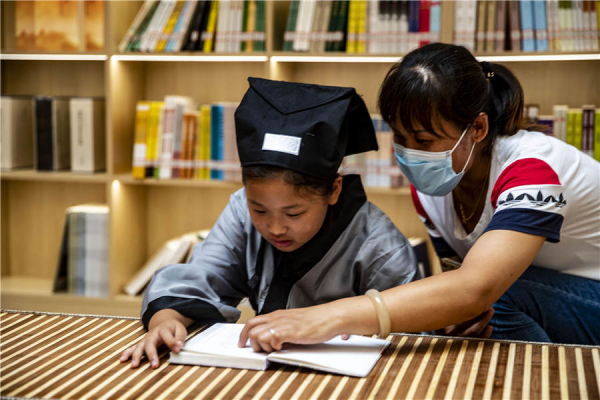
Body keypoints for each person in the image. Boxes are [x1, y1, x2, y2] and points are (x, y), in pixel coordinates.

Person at [238, 43, 600, 351]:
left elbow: (477, 287)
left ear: (477, 128)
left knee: (492, 295)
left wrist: (327, 317)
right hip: (546, 301)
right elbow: (457, 287)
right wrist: (454, 318)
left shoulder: (533, 167)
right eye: (400, 137)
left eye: (424, 141)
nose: (410, 154)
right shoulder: (433, 187)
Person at [120, 77, 422, 368]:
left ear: (334, 190)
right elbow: (202, 276)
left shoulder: (379, 245)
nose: (275, 228)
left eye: (293, 214)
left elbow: (411, 334)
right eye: (259, 210)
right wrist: (167, 321)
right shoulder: (240, 211)